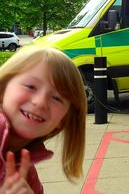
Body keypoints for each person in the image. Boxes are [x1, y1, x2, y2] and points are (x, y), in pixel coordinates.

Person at [0, 47, 87, 194]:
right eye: (30, 86)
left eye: (57, 98)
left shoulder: (26, 173)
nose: (40, 102)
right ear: (3, 89)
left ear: (64, 119)